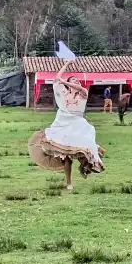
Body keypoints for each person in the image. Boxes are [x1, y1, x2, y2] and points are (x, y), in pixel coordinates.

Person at [27, 60, 105, 190]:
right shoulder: (64, 94)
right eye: (73, 80)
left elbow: (79, 88)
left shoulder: (83, 93)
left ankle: (85, 166)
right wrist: (67, 65)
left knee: (84, 149)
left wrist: (65, 82)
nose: (76, 82)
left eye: (77, 80)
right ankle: (69, 183)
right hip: (63, 125)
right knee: (67, 157)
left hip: (78, 125)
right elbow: (57, 79)